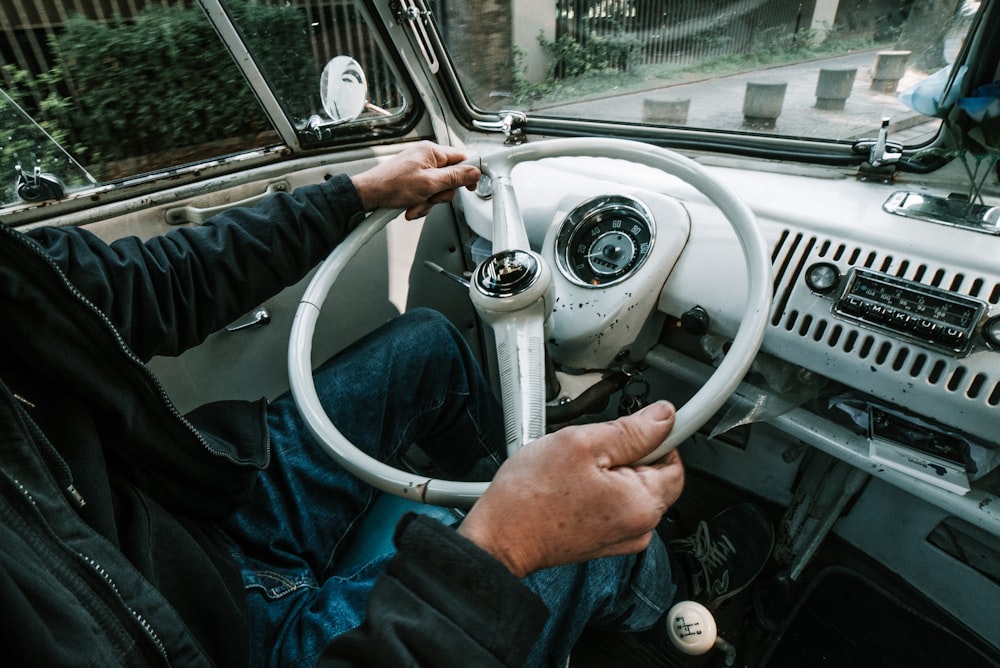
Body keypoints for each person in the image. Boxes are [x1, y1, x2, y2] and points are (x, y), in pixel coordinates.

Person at [0, 141, 772, 667]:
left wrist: (355, 194)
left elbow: (129, 288)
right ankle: (663, 603)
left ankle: (518, 480)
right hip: (226, 641)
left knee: (427, 346)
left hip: (197, 510)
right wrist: (506, 548)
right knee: (565, 559)